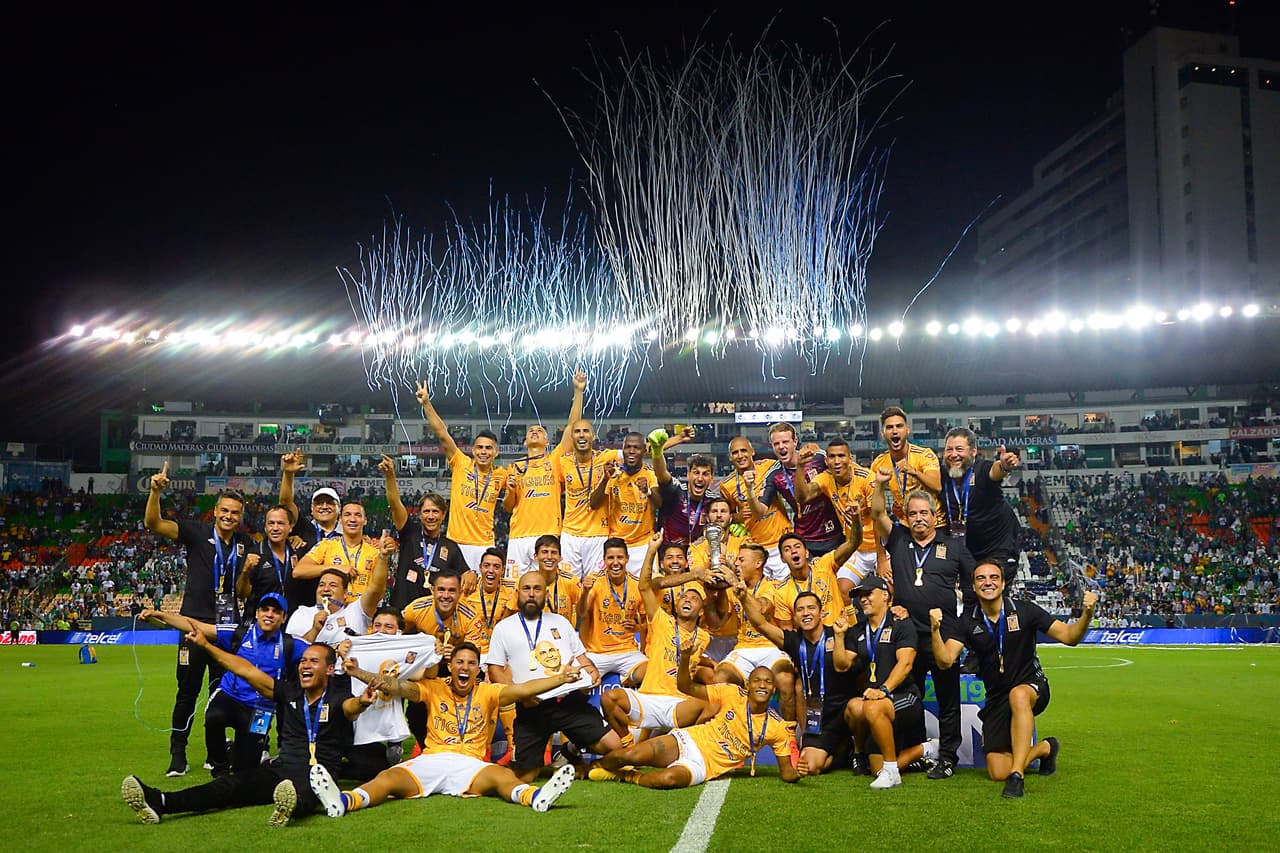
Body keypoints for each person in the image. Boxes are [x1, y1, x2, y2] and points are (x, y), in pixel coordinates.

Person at [121, 633, 376, 827]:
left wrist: (362, 702)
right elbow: (246, 670)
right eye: (303, 660)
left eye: (314, 661)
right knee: (230, 785)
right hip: (281, 771)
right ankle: (162, 801)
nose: (305, 665)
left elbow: (350, 708)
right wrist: (207, 646)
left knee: (306, 793)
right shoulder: (289, 691)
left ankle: (292, 805)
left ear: (330, 669)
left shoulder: (337, 696)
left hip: (319, 776)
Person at [310, 642, 579, 816]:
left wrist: (561, 678)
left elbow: (524, 689)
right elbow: (395, 686)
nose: (465, 667)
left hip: (471, 765)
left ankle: (537, 797)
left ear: (478, 669)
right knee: (388, 778)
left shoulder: (488, 691)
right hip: (431, 759)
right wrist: (358, 673)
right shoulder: (433, 687)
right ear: (450, 666)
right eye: (460, 662)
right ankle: (343, 802)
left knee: (502, 776)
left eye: (471, 663)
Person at [930, 563, 1098, 798]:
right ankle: (1045, 748)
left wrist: (1087, 614)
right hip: (997, 697)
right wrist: (935, 630)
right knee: (998, 771)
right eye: (981, 578)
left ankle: (1017, 776)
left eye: (993, 577)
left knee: (1018, 695)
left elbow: (1070, 637)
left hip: (1032, 685)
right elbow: (945, 660)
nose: (988, 582)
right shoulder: (967, 620)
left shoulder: (1026, 610)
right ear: (974, 586)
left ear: (1002, 583)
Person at [144, 463, 255, 777]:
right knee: (187, 693)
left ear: (240, 516)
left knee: (221, 694)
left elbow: (245, 590)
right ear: (215, 511)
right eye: (224, 510)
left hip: (226, 629)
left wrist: (247, 572)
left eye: (235, 512)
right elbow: (153, 523)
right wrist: (155, 492)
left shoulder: (245, 544)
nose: (229, 516)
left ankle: (213, 753)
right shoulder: (196, 532)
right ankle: (177, 755)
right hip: (192, 625)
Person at [870, 469, 976, 780]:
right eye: (913, 513)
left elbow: (973, 582)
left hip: (942, 634)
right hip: (907, 635)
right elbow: (878, 513)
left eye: (924, 513)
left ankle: (948, 758)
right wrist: (880, 485)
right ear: (906, 517)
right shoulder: (899, 539)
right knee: (909, 698)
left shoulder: (953, 547)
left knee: (948, 698)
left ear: (934, 516)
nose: (918, 518)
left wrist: (963, 621)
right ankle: (916, 751)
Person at [138, 592, 305, 778]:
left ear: (284, 618)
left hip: (261, 709)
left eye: (276, 611)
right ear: (257, 613)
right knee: (214, 717)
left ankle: (233, 751)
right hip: (230, 695)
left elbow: (319, 654)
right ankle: (219, 769)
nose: (269, 614)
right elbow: (195, 625)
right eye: (265, 609)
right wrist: (160, 615)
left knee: (245, 772)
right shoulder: (240, 633)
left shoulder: (291, 644)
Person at [589, 646, 798, 787]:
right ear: (748, 685)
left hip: (704, 766)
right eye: (757, 681)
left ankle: (628, 776)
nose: (762, 685)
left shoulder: (777, 727)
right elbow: (685, 687)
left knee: (668, 780)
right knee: (629, 755)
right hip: (690, 740)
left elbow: (787, 772)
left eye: (768, 682)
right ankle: (588, 769)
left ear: (774, 689)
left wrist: (799, 773)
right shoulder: (731, 693)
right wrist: (685, 659)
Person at [486, 570, 622, 782]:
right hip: (532, 708)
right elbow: (494, 670)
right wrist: (520, 695)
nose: (532, 594)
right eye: (526, 589)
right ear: (517, 593)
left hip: (568, 703)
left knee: (614, 747)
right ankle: (546, 759)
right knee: (526, 776)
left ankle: (570, 752)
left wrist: (592, 672)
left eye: (537, 589)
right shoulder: (503, 628)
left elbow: (582, 658)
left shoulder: (561, 622)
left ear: (546, 594)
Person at [735, 582, 857, 778]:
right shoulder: (794, 641)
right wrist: (743, 598)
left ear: (821, 612)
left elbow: (842, 666)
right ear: (794, 617)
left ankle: (857, 747)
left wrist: (840, 637)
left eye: (811, 608)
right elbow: (761, 624)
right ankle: (842, 751)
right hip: (819, 718)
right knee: (809, 767)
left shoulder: (839, 632)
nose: (805, 613)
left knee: (857, 709)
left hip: (846, 712)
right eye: (800, 610)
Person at [600, 533, 713, 742]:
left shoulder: (704, 637)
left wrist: (709, 662)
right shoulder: (662, 620)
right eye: (684, 597)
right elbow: (644, 585)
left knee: (712, 703)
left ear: (701, 611)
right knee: (610, 701)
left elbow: (690, 663)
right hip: (649, 698)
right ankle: (628, 742)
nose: (687, 599)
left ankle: (684, 742)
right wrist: (651, 549)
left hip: (678, 704)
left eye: (694, 599)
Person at [843, 575, 931, 789]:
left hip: (905, 697)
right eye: (860, 596)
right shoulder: (858, 630)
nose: (863, 599)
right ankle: (924, 750)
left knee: (872, 708)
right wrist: (838, 636)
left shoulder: (902, 623)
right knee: (854, 707)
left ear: (885, 596)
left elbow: (906, 663)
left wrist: (883, 689)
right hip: (876, 702)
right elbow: (841, 665)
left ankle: (893, 771)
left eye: (868, 594)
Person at [415, 379, 507, 571]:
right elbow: (442, 433)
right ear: (473, 450)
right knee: (452, 588)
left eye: (488, 448)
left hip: (484, 544)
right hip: (456, 542)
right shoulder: (460, 463)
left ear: (496, 452)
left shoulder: (502, 474)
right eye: (480, 447)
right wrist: (426, 404)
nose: (483, 452)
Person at [335, 615, 440, 781]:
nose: (381, 630)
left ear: (399, 632)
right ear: (370, 628)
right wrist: (337, 652)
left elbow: (425, 675)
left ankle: (391, 746)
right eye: (377, 625)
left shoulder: (402, 653)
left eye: (388, 626)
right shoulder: (352, 647)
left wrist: (434, 655)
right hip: (346, 722)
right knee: (334, 760)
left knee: (375, 769)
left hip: (374, 725)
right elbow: (322, 660)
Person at [502, 369, 586, 573]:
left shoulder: (555, 460)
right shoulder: (514, 466)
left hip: (548, 534)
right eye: (531, 431)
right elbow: (508, 506)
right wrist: (511, 492)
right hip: (519, 536)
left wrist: (578, 392)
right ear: (524, 441)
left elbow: (572, 427)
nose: (534, 431)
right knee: (516, 587)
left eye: (539, 431)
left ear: (547, 442)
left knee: (548, 585)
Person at [380, 458, 472, 610]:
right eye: (426, 511)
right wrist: (390, 476)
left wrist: (471, 573)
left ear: (443, 515)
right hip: (401, 610)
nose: (430, 516)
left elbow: (465, 573)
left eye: (435, 511)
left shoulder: (450, 547)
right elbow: (395, 504)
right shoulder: (409, 532)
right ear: (420, 514)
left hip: (431, 615)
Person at [792, 437, 879, 596]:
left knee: (889, 590)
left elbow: (879, 520)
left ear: (850, 459)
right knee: (840, 591)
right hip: (856, 550)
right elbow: (802, 497)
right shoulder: (826, 478)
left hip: (880, 547)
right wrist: (800, 466)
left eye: (841, 456)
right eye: (832, 457)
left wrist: (882, 558)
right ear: (826, 461)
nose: (837, 461)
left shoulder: (867, 478)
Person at [940, 428, 1024, 575]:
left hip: (998, 546)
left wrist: (1003, 466)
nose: (953, 454)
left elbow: (995, 471)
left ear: (973, 452)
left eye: (959, 449)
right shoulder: (941, 475)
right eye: (949, 450)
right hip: (966, 547)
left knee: (991, 586)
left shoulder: (982, 468)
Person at [284, 534, 392, 646]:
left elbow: (375, 589)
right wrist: (315, 630)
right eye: (321, 585)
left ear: (345, 593)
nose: (326, 589)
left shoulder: (356, 612)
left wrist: (383, 557)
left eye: (333, 585)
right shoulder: (302, 614)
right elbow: (293, 652)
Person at [757, 424, 842, 557]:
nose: (781, 447)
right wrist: (750, 491)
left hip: (835, 534)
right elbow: (760, 511)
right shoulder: (774, 475)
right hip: (806, 538)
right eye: (776, 444)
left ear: (795, 442)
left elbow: (842, 467)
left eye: (785, 442)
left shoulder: (817, 457)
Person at [720, 436, 792, 581]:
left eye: (743, 450)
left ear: (752, 451)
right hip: (755, 548)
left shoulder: (769, 466)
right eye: (735, 453)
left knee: (786, 590)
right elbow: (725, 516)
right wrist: (737, 517)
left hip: (781, 542)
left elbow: (792, 462)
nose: (740, 455)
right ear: (730, 457)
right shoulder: (727, 485)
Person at [576, 538, 647, 683]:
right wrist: (585, 592)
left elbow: (648, 624)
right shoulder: (594, 581)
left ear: (627, 559)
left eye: (620, 557)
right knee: (580, 682)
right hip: (596, 653)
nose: (615, 562)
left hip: (627, 652)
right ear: (604, 560)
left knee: (652, 674)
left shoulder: (636, 585)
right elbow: (581, 613)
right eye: (610, 558)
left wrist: (637, 627)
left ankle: (628, 680)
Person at [556, 417, 619, 579]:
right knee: (569, 584)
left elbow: (637, 451)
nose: (582, 435)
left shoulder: (606, 457)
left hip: (598, 534)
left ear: (593, 436)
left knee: (595, 584)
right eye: (577, 431)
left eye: (586, 431)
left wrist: (675, 440)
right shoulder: (562, 462)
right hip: (570, 535)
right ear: (572, 437)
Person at [592, 432, 661, 578]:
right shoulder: (613, 473)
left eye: (636, 447)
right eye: (628, 447)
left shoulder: (650, 473)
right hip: (617, 544)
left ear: (644, 450)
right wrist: (604, 480)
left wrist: (647, 491)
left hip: (643, 544)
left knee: (647, 587)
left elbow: (659, 503)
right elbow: (594, 504)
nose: (631, 451)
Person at [278, 453, 343, 607]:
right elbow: (285, 504)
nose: (324, 506)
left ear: (339, 508)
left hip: (337, 604)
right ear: (312, 509)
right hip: (302, 603)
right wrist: (288, 474)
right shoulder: (303, 528)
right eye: (319, 503)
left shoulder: (346, 536)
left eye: (330, 503)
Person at [291, 501, 381, 601]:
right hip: (332, 608)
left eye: (358, 515)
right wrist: (335, 568)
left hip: (363, 608)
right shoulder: (326, 545)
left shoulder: (374, 551)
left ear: (365, 521)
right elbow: (298, 571)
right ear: (340, 520)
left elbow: (379, 591)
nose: (352, 519)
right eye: (347, 515)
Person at [869, 406, 944, 527]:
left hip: (934, 524)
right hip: (906, 523)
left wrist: (914, 472)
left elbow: (937, 486)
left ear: (907, 430)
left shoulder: (924, 455)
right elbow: (872, 499)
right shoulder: (879, 463)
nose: (895, 431)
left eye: (899, 426)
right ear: (883, 434)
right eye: (889, 427)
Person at [771, 532, 855, 629]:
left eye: (797, 547)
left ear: (807, 553)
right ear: (782, 559)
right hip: (810, 636)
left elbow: (853, 543)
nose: (793, 551)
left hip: (840, 629)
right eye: (787, 549)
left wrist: (856, 522)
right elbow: (787, 631)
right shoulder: (781, 592)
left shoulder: (824, 565)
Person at [652, 428, 715, 546]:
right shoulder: (677, 492)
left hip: (696, 554)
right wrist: (657, 451)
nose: (700, 478)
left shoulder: (713, 501)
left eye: (705, 474)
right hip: (669, 553)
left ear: (712, 478)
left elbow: (728, 516)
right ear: (688, 475)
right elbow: (661, 474)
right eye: (696, 473)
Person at [236, 505, 297, 614]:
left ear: (290, 527)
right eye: (271, 523)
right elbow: (241, 594)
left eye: (280, 523)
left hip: (291, 619)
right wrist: (245, 572)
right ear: (265, 527)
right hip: (262, 618)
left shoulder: (297, 551)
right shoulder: (254, 553)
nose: (275, 528)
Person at [530, 534, 581, 622]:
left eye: (553, 552)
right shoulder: (526, 582)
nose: (549, 557)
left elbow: (585, 611)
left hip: (563, 630)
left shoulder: (571, 581)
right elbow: (511, 613)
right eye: (545, 552)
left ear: (560, 557)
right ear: (535, 556)